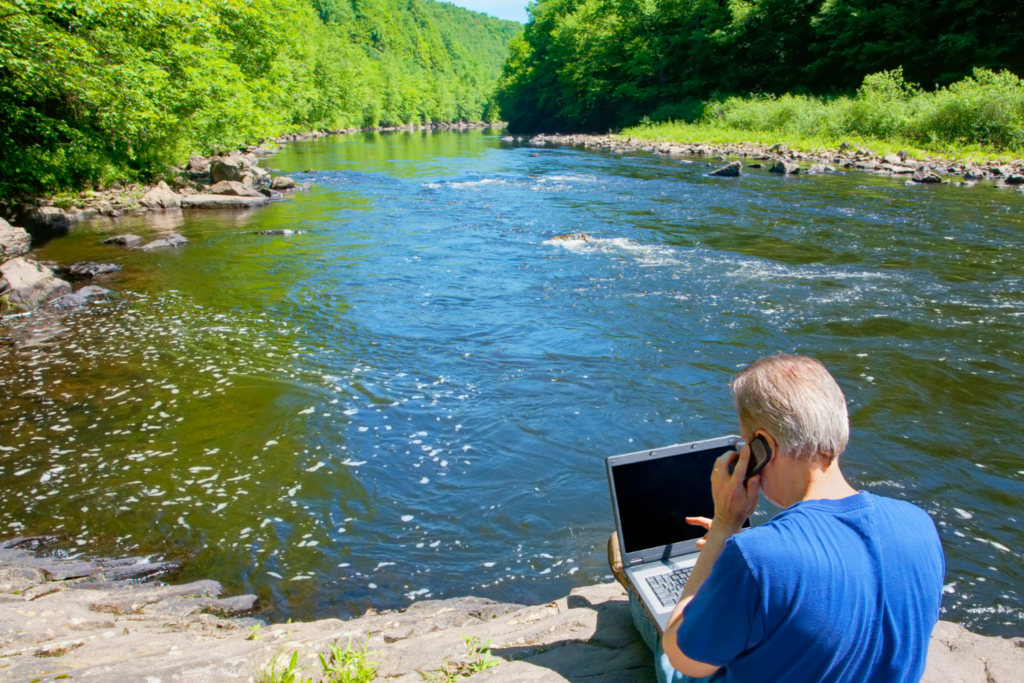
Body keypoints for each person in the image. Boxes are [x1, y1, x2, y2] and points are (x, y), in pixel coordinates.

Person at [609, 354, 945, 683]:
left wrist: (724, 528)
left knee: (670, 646)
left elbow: (685, 659)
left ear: (763, 447)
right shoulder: (919, 525)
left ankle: (634, 589)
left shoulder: (759, 556)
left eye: (745, 443)